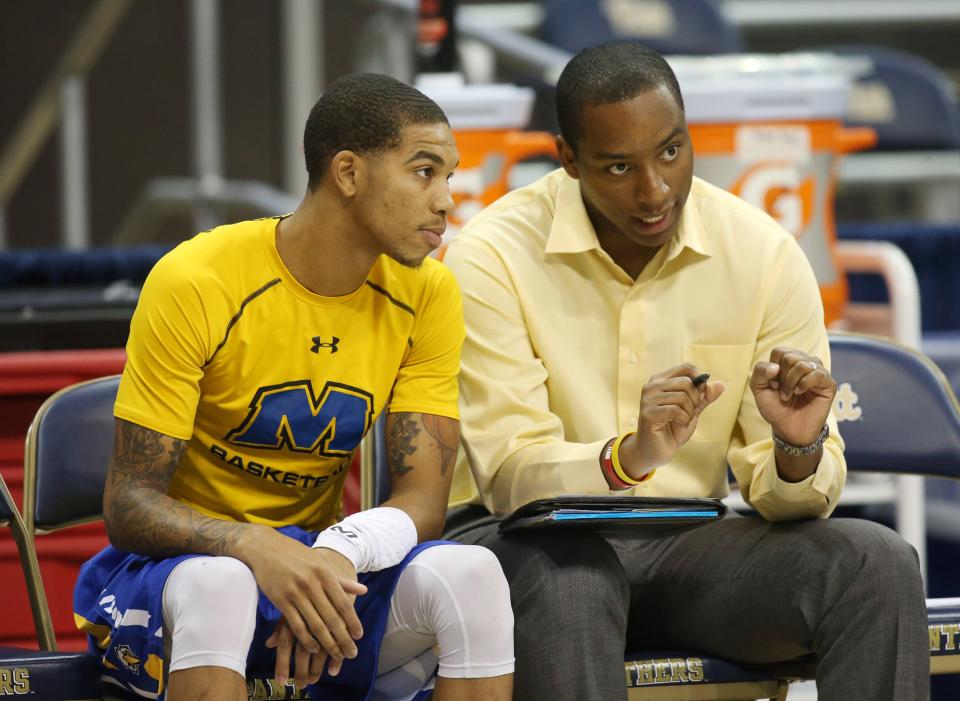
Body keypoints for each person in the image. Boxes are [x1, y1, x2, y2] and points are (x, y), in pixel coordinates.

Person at [442, 42, 927, 701]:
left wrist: (796, 447)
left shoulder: (762, 253)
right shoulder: (490, 258)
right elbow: (510, 478)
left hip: (683, 542)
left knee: (876, 563)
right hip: (521, 541)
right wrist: (628, 456)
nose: (655, 189)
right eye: (619, 166)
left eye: (671, 151)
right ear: (567, 159)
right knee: (575, 582)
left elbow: (789, 498)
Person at [73, 73, 514, 701]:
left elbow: (424, 502)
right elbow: (129, 504)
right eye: (424, 172)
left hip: (313, 563)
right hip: (172, 577)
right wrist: (258, 549)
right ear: (348, 173)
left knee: (472, 573)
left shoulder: (429, 294)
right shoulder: (197, 280)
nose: (447, 199)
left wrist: (335, 558)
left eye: (450, 176)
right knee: (220, 585)